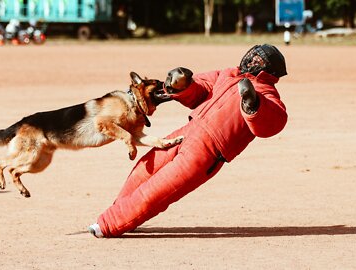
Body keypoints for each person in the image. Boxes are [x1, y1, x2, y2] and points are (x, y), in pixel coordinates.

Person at [88, 44, 288, 238]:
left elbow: (274, 122)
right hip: (187, 132)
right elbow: (201, 88)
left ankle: (108, 225)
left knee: (157, 191)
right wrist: (183, 84)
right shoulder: (228, 73)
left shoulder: (267, 93)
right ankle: (122, 215)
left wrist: (253, 104)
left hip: (207, 152)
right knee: (143, 169)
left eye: (259, 59)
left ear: (268, 70)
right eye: (253, 54)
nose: (251, 59)